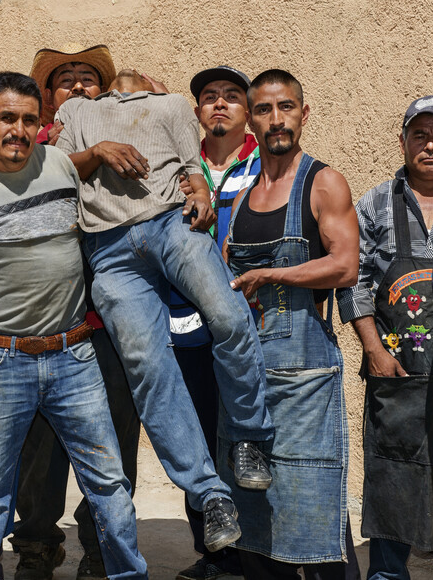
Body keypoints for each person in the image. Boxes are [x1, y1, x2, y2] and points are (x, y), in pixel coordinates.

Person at [0, 72, 148, 580]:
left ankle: (127, 574)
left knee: (109, 483)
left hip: (75, 357)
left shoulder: (59, 168)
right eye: (6, 118)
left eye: (30, 119)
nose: (18, 130)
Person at [54, 67, 276, 556]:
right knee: (148, 370)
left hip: (171, 226)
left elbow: (193, 169)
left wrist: (198, 189)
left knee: (229, 316)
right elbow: (56, 171)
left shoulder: (173, 104)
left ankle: (250, 437)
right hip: (108, 250)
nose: (131, 77)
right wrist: (98, 151)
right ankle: (209, 493)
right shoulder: (76, 112)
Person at [336, 96, 433, 580]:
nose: (429, 145)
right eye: (418, 135)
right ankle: (386, 574)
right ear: (402, 142)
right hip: (395, 375)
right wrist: (374, 350)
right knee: (390, 478)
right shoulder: (375, 203)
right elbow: (351, 279)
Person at [221, 69, 361, 580]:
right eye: (264, 109)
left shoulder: (323, 182)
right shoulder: (240, 200)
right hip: (246, 381)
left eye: (286, 107)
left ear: (304, 113)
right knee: (255, 519)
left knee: (314, 506)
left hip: (305, 379)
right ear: (251, 121)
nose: (276, 119)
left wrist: (272, 272)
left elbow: (346, 265)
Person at [13, 43, 137, 580]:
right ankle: (38, 542)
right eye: (66, 81)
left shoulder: (128, 138)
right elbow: (38, 181)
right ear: (48, 99)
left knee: (112, 439)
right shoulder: (32, 147)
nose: (80, 87)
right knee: (37, 448)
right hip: (43, 326)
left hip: (108, 327)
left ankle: (99, 543)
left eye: (89, 79)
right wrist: (96, 151)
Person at [170, 65, 260, 580]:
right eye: (209, 97)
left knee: (248, 438)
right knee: (198, 435)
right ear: (197, 110)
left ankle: (258, 553)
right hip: (187, 326)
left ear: (246, 110)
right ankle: (215, 555)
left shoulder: (267, 163)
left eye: (231, 96)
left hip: (252, 324)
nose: (219, 104)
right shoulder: (181, 168)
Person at [31, 43, 116, 147]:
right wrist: (49, 150)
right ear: (49, 97)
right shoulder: (41, 143)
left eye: (87, 79)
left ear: (103, 93)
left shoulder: (116, 126)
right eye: (66, 80)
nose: (78, 86)